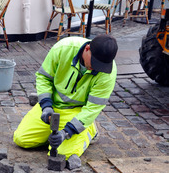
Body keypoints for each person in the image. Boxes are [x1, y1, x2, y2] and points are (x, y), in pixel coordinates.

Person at [13, 34, 118, 164]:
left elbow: (92, 108)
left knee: (63, 154)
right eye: (95, 62)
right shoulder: (63, 48)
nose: (96, 68)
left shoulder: (108, 74)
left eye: (101, 66)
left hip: (77, 112)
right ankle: (54, 135)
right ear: (87, 49)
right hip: (53, 106)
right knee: (21, 139)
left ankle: (90, 130)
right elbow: (44, 78)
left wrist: (67, 132)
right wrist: (46, 106)